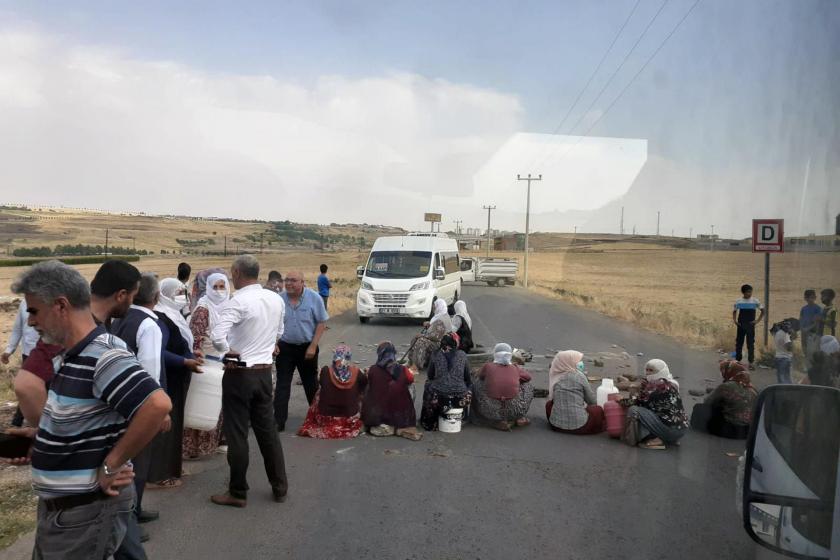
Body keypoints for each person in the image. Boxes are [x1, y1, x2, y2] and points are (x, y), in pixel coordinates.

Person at [11, 260, 170, 560]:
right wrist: (44, 438)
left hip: (84, 514)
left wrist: (112, 464)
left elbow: (157, 405)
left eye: (33, 311)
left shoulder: (103, 354)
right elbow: (87, 419)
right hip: (66, 512)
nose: (30, 322)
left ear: (60, 305)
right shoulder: (71, 354)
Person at [210, 255, 287, 508]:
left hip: (239, 373)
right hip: (264, 373)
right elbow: (279, 332)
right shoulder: (275, 299)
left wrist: (225, 350)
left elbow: (218, 334)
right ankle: (280, 486)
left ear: (236, 272)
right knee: (268, 433)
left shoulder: (239, 301)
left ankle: (238, 491)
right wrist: (269, 345)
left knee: (237, 434)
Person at [89, 260, 150, 557]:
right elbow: (155, 404)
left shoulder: (88, 324)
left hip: (95, 454)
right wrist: (113, 462)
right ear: (122, 294)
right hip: (96, 456)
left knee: (122, 536)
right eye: (134, 294)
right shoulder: (101, 339)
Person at [110, 273, 166, 529]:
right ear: (156, 297)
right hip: (140, 403)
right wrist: (157, 410)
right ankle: (130, 519)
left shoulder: (118, 318)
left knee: (126, 459)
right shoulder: (149, 325)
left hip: (118, 398)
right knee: (139, 463)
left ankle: (135, 510)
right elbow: (150, 370)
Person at [147, 278, 204, 489]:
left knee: (175, 424)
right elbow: (160, 351)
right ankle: (157, 474)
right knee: (165, 425)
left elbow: (179, 343)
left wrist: (191, 353)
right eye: (177, 292)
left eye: (183, 292)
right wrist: (184, 360)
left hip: (178, 376)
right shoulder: (161, 318)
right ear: (164, 294)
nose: (182, 296)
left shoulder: (174, 314)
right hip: (167, 378)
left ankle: (171, 468)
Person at [275, 270, 329, 431]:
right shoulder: (279, 300)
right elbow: (274, 323)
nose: (289, 283)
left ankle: (318, 418)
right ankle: (278, 421)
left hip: (307, 347)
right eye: (287, 280)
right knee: (282, 384)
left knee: (310, 383)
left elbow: (321, 322)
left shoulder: (314, 298)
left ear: (302, 282)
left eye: (293, 280)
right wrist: (274, 343)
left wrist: (313, 346)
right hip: (284, 347)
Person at [183, 272, 229, 459]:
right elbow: (196, 339)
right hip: (206, 363)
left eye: (222, 286)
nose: (219, 291)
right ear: (208, 288)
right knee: (201, 407)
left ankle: (217, 442)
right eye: (215, 287)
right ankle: (193, 448)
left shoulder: (230, 307)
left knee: (218, 406)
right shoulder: (203, 310)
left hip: (222, 363)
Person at [297, 345, 366, 439]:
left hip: (325, 418)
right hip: (350, 418)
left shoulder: (325, 371)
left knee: (319, 392)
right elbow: (364, 385)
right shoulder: (356, 372)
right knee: (360, 392)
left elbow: (322, 384)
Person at [622, 359, 688, 449]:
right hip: (681, 430)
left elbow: (638, 403)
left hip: (670, 431)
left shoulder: (655, 387)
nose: (648, 373)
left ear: (660, 372)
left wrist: (620, 400)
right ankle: (669, 439)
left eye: (651, 370)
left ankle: (638, 440)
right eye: (647, 370)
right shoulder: (671, 384)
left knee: (634, 410)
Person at [361, 341, 421, 440]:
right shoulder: (402, 369)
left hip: (376, 415)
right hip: (401, 418)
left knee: (369, 386)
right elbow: (411, 379)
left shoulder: (373, 369)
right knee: (409, 385)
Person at [471, 343, 533, 431]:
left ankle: (497, 422)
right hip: (516, 410)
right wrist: (515, 378)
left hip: (490, 411)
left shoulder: (488, 366)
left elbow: (479, 376)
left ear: (495, 355)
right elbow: (528, 377)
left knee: (478, 381)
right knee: (527, 385)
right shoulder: (515, 367)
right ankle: (519, 418)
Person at [690, 360, 757, 439]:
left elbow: (707, 401)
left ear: (729, 371)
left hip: (730, 430)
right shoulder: (753, 389)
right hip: (747, 431)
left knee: (698, 408)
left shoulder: (727, 386)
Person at [419, 333, 472, 431]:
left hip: (439, 398)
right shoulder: (462, 354)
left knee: (428, 384)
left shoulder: (435, 354)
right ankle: (464, 417)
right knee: (468, 385)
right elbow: (467, 378)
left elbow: (430, 376)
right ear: (456, 342)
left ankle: (429, 420)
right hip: (460, 399)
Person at [544, 350, 604, 435]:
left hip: (556, 426)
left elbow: (553, 399)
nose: (580, 363)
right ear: (570, 362)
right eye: (577, 361)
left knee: (549, 404)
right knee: (597, 410)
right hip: (579, 427)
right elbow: (592, 401)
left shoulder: (555, 376)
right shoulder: (579, 376)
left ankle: (559, 421)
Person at [4, 298, 42, 426]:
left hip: (50, 353)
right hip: (28, 353)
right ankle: (17, 421)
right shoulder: (24, 303)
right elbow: (18, 328)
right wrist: (9, 350)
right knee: (26, 388)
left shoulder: (53, 299)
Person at [732, 284, 764, 370]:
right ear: (744, 292)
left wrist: (757, 321)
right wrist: (735, 321)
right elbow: (734, 311)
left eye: (751, 291)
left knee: (750, 344)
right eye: (748, 292)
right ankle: (738, 361)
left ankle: (751, 362)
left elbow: (763, 311)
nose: (750, 293)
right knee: (739, 343)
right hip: (741, 325)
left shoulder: (755, 301)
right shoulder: (739, 301)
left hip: (750, 325)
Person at [771, 318, 799, 384]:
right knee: (786, 378)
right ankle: (787, 391)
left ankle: (783, 390)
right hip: (785, 359)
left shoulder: (777, 333)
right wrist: (791, 340)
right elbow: (789, 348)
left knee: (781, 377)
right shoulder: (785, 335)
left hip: (778, 357)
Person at [800, 289, 822, 360]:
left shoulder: (818, 309)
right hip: (804, 333)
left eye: (813, 297)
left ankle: (813, 368)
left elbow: (817, 322)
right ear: (805, 298)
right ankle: (807, 367)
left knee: (812, 352)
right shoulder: (803, 309)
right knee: (805, 350)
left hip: (813, 333)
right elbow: (801, 320)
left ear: (815, 297)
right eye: (809, 297)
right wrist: (802, 329)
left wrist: (808, 329)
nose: (811, 299)